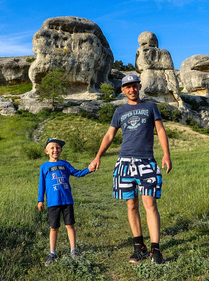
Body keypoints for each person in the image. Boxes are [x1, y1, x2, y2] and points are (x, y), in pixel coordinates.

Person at [91, 74, 172, 264]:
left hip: (147, 161)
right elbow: (109, 135)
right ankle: (139, 248)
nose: (131, 89)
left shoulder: (151, 107)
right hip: (125, 162)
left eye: (134, 86)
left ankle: (156, 250)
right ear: (123, 90)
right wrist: (98, 156)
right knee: (131, 205)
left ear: (139, 86)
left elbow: (160, 130)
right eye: (127, 87)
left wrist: (166, 154)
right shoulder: (119, 112)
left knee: (150, 204)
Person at [38, 138, 96, 266]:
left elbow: (77, 173)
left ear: (61, 150)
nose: (55, 150)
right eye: (52, 148)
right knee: (54, 228)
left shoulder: (65, 164)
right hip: (53, 203)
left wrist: (89, 169)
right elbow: (41, 185)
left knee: (70, 225)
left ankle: (73, 251)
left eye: (58, 147)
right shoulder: (44, 167)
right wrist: (40, 200)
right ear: (46, 151)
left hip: (67, 201)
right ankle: (52, 253)